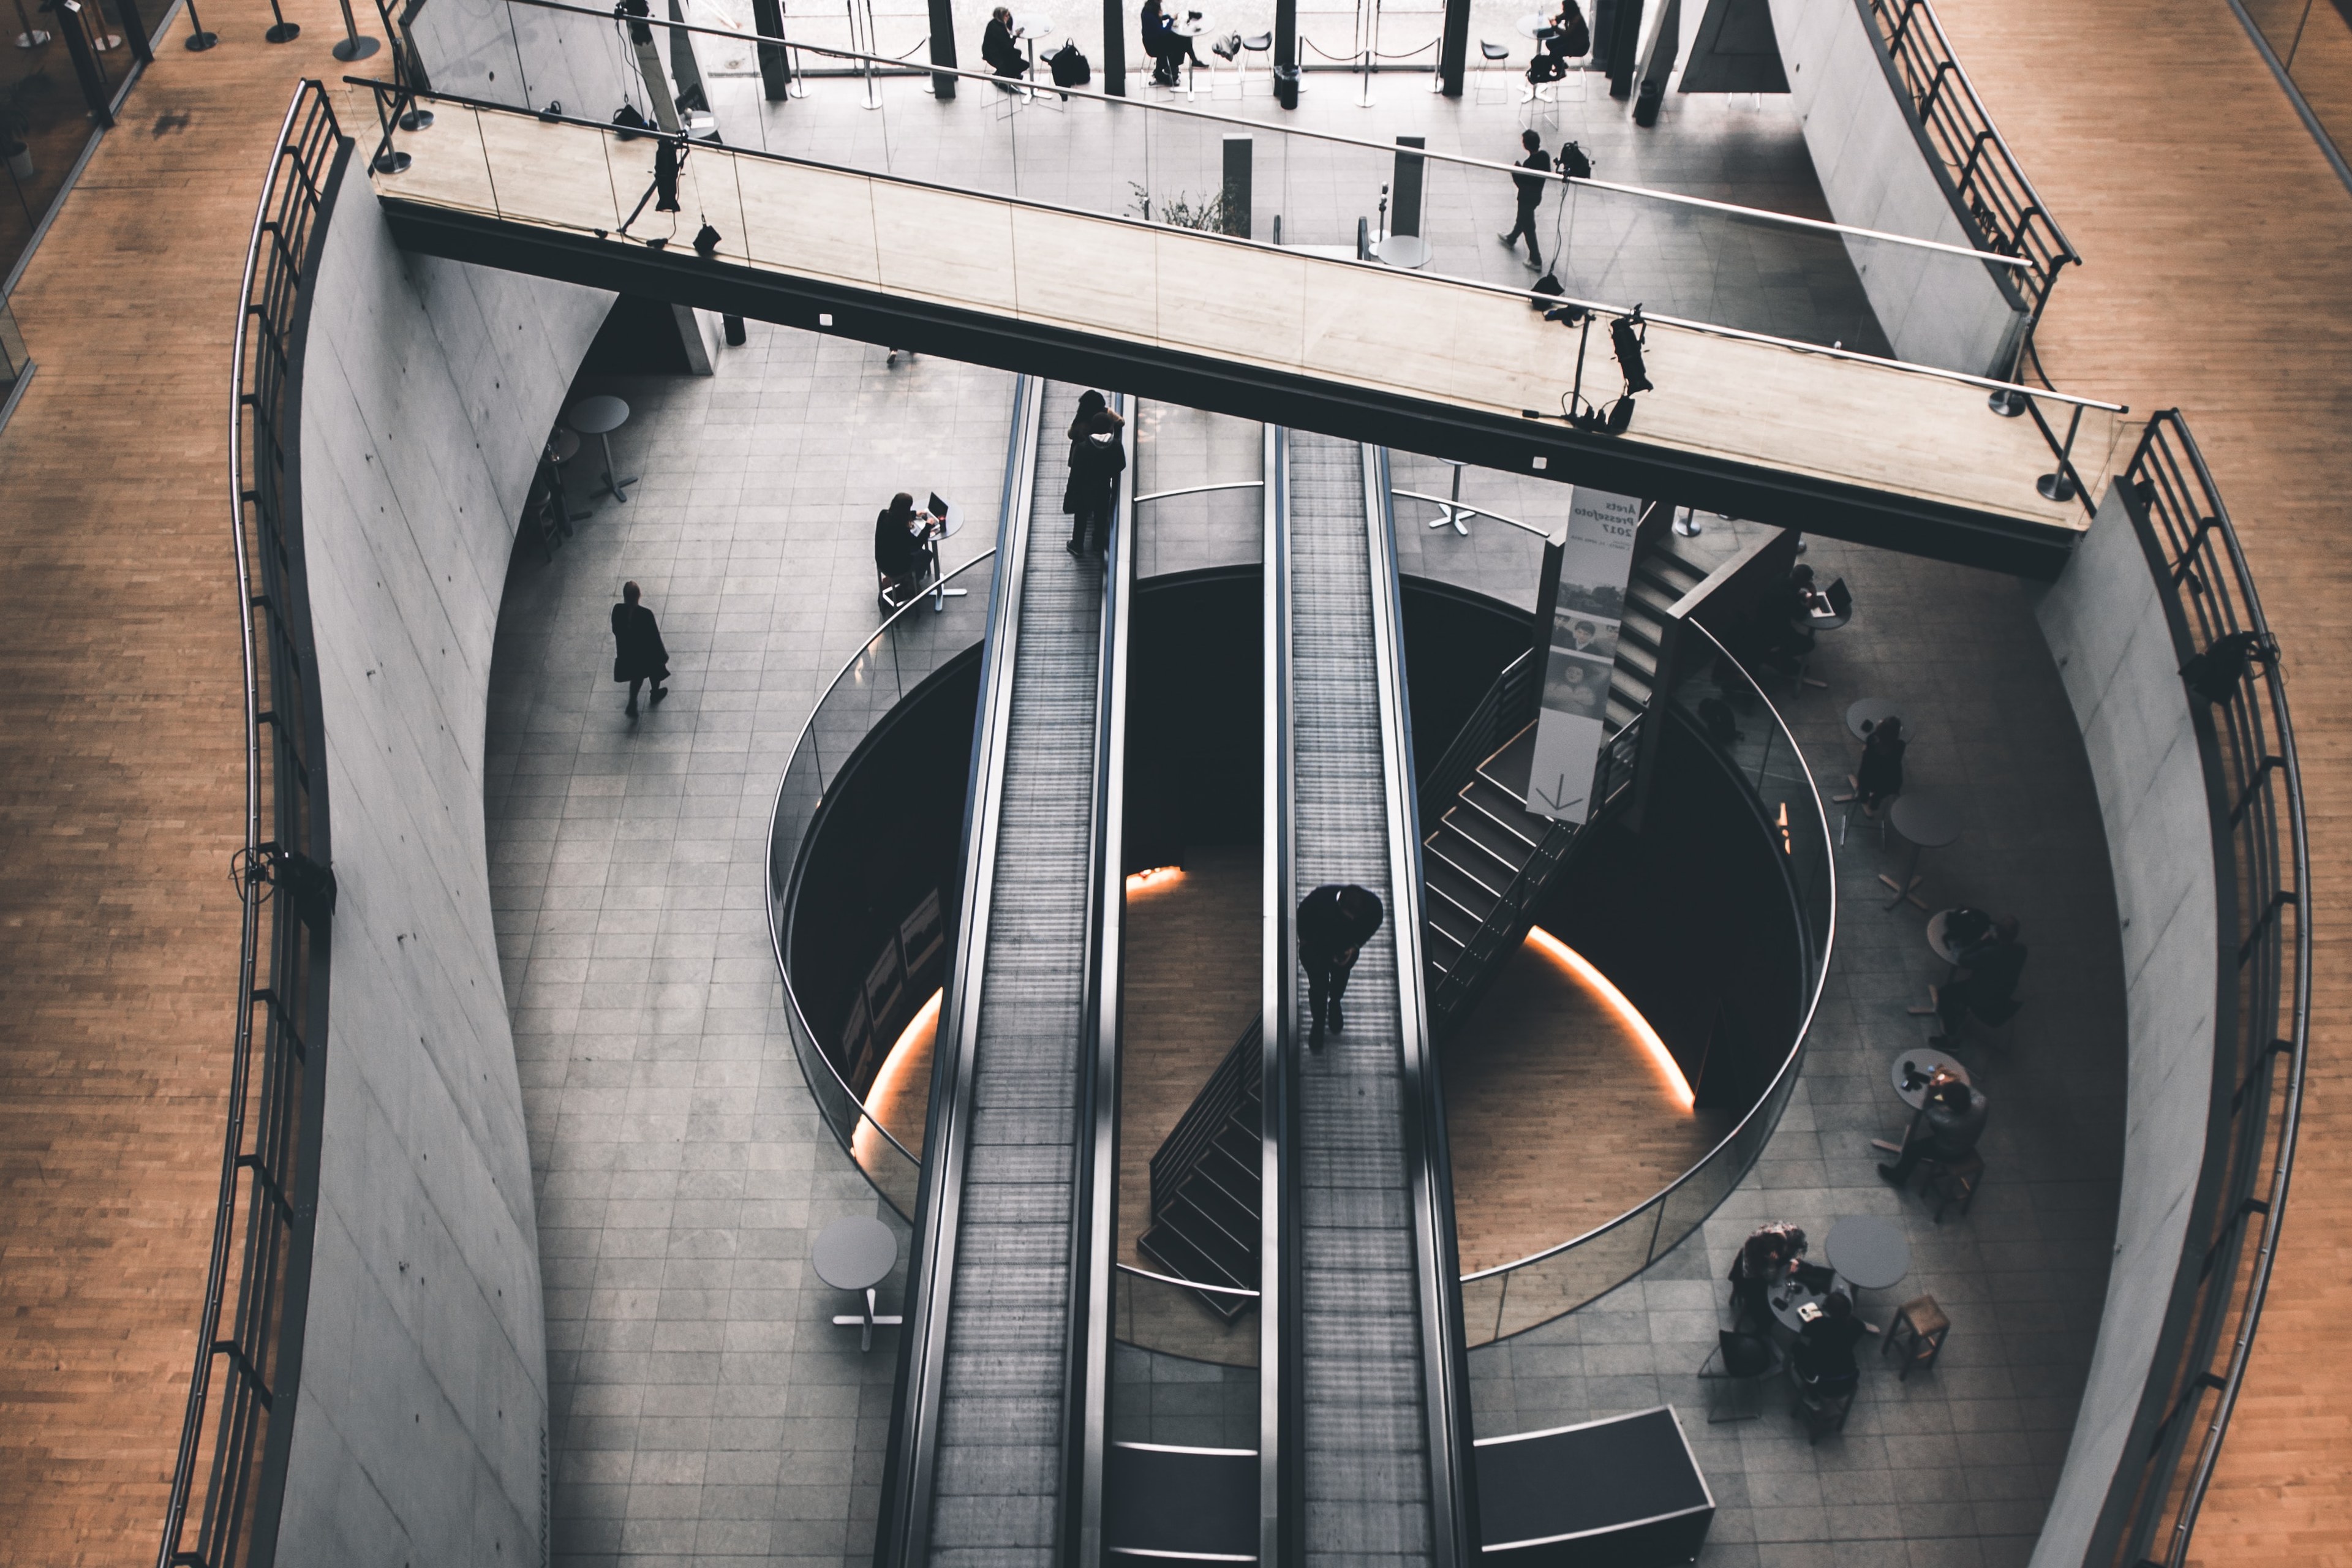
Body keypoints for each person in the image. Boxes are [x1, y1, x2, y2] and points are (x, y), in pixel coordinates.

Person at [1297, 883, 1383, 1045]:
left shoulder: (1372, 906)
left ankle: (1335, 1003)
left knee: (1340, 980)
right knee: (1318, 988)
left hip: (1344, 952)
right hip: (1318, 950)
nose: (1352, 920)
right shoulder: (1319, 900)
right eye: (1349, 915)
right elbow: (1302, 915)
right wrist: (1306, 942)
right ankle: (1318, 1023)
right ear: (1340, 904)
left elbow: (1375, 920)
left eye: (1355, 917)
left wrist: (1355, 945)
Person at [1921, 916, 2027, 1044]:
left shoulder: (1990, 953)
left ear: (1997, 933)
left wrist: (1982, 941)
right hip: (2003, 996)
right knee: (1963, 988)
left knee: (1944, 993)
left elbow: (1962, 959)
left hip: (1982, 999)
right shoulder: (2022, 950)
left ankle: (1949, 1039)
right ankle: (1959, 1011)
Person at [1880, 1072, 1987, 1184]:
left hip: (1950, 1151)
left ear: (1950, 1106)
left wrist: (1931, 1092)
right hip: (1969, 1142)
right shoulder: (1983, 1104)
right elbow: (1969, 1090)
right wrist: (1950, 1085)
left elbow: (1928, 1109)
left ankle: (1898, 1178)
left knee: (1912, 1149)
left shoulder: (1946, 1122)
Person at [1065, 397, 1126, 556]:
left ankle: (1077, 545)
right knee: (1100, 516)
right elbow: (1121, 465)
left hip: (1084, 489)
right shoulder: (1116, 445)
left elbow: (1075, 473)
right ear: (1109, 428)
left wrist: (1071, 493)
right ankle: (1098, 543)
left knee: (1081, 517)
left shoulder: (1083, 448)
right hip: (1104, 488)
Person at [1726, 1222, 1809, 1333]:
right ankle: (1761, 1329)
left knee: (1803, 1274)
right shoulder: (1753, 1249)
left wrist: (1795, 1260)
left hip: (1777, 1267)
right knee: (1766, 1308)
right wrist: (1771, 1265)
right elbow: (1759, 1278)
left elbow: (1803, 1246)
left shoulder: (1792, 1233)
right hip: (1752, 1279)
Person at [610, 581, 671, 718]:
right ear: (639, 595)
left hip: (627, 654)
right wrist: (662, 655)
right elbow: (654, 637)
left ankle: (633, 703)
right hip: (646, 654)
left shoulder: (618, 610)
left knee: (636, 677)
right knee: (656, 669)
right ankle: (654, 693)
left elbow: (616, 630)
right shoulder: (645, 614)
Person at [1497, 129, 1553, 273]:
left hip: (1526, 198)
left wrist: (1516, 172)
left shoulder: (1529, 163)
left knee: (1529, 228)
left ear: (1526, 145)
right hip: (1536, 197)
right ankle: (1512, 238)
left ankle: (1536, 259)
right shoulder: (1544, 156)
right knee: (1522, 219)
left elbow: (1522, 184)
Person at [1792, 1291, 1866, 1392]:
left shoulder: (1821, 1325)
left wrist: (1818, 1318)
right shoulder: (1859, 1326)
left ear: (1828, 1311)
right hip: (1850, 1377)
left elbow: (1805, 1332)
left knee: (1797, 1347)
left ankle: (1812, 1396)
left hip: (1825, 1384)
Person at [874, 491, 938, 604]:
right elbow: (918, 543)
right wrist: (928, 525)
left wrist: (914, 514)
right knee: (927, 555)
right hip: (896, 566)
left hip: (882, 560)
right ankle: (911, 583)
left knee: (915, 551)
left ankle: (906, 580)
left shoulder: (883, 514)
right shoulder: (900, 529)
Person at [1854, 714, 1906, 815]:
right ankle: (1876, 799)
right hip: (1890, 784)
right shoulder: (1900, 746)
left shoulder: (1871, 740)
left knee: (1866, 769)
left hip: (1868, 780)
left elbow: (1866, 756)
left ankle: (1863, 795)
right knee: (1884, 779)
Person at [982, 7, 1027, 85]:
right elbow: (1008, 47)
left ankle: (1007, 73)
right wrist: (1015, 36)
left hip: (991, 51)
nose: (1009, 17)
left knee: (1017, 53)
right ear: (1001, 17)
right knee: (1025, 64)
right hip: (995, 55)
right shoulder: (999, 30)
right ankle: (1009, 75)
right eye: (1007, 16)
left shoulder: (993, 23)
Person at [1140, 0, 1178, 85]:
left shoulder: (1149, 9)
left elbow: (1156, 20)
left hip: (1153, 41)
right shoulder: (1149, 14)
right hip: (1153, 46)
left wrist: (1166, 17)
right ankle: (1169, 69)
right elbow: (1163, 32)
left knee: (1174, 40)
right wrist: (1171, 20)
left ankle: (1165, 68)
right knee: (1176, 44)